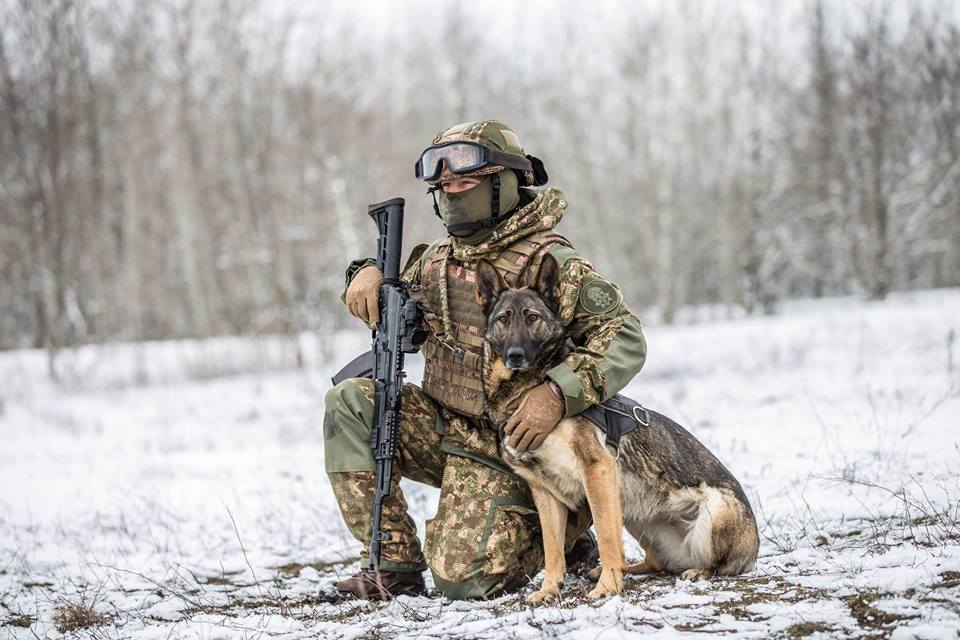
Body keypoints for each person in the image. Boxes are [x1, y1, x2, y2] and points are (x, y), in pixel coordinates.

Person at [324, 120, 647, 600]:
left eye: (465, 180)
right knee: (350, 401)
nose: (452, 191)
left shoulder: (552, 261)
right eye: (443, 184)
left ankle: (564, 538)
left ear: (504, 183)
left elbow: (625, 338)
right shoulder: (436, 259)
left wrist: (558, 393)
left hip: (525, 444)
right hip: (452, 426)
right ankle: (393, 564)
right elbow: (389, 291)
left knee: (464, 578)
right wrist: (365, 272)